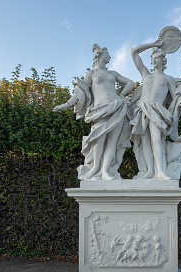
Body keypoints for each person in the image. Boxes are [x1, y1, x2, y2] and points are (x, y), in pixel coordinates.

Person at [54, 44, 135, 180]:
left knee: (112, 141)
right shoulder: (91, 73)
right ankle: (95, 168)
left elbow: (131, 83)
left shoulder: (113, 73)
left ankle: (105, 171)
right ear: (100, 56)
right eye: (108, 53)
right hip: (99, 110)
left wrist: (122, 95)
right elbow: (81, 91)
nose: (110, 56)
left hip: (117, 107)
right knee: (98, 139)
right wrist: (66, 104)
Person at [130, 40, 181, 179]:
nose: (154, 61)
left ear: (163, 61)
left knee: (156, 139)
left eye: (157, 59)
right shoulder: (146, 75)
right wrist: (153, 44)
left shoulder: (168, 79)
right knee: (145, 141)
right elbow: (134, 52)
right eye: (153, 59)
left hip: (156, 111)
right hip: (142, 110)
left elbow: (176, 97)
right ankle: (150, 171)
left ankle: (160, 171)